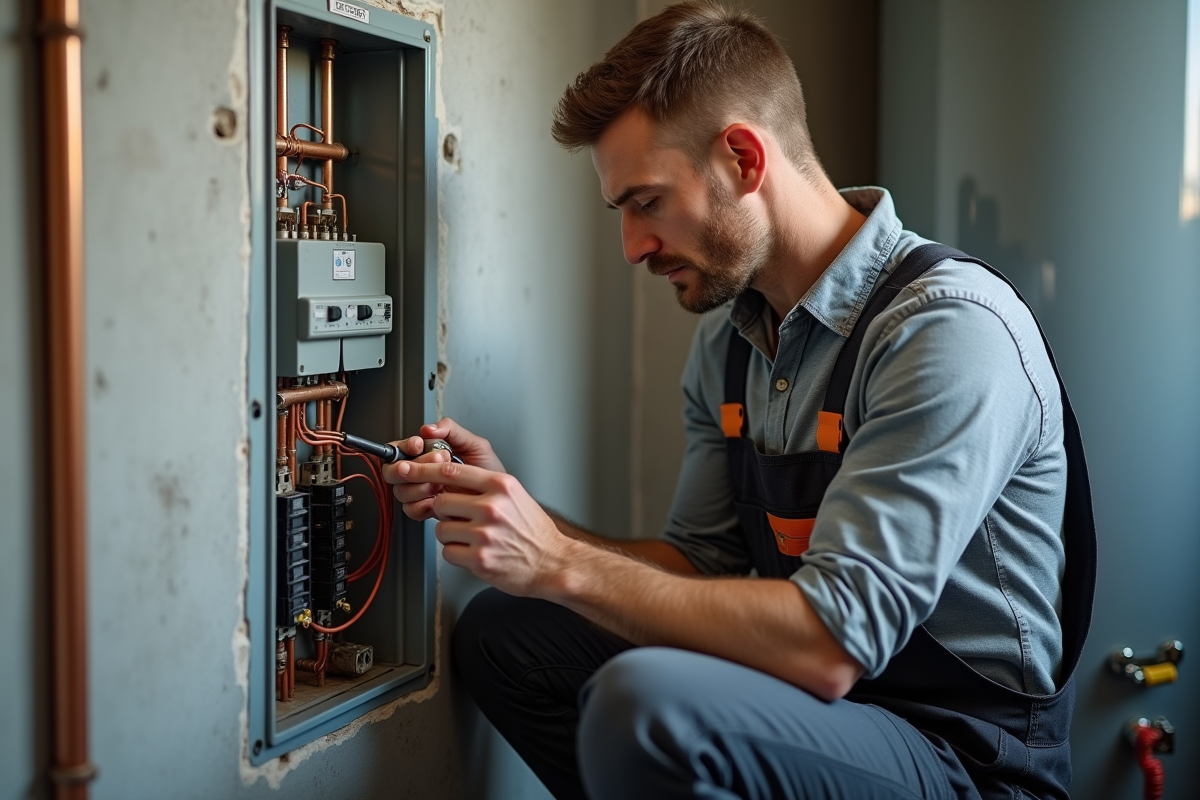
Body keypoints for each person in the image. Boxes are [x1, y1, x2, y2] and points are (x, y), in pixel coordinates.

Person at [382, 3, 1095, 799]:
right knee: (506, 635)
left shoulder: (945, 330)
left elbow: (833, 643)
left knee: (648, 710)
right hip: (817, 712)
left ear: (743, 159)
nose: (633, 248)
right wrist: (522, 523)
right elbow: (699, 565)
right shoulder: (731, 344)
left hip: (964, 758)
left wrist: (559, 563)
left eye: (647, 201)